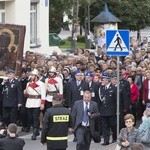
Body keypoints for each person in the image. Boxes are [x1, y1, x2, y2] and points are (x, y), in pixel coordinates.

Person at [24, 68, 46, 140]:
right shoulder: (28, 83)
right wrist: (25, 93)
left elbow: (43, 95)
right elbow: (26, 95)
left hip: (37, 101)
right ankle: (35, 131)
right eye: (31, 75)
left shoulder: (41, 84)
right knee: (29, 117)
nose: (31, 76)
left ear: (36, 76)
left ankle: (34, 132)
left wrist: (42, 104)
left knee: (35, 118)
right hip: (29, 101)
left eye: (33, 75)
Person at [98, 72, 117, 145]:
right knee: (105, 126)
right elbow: (100, 100)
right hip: (103, 110)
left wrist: (116, 110)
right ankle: (106, 140)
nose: (103, 81)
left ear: (108, 80)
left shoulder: (113, 88)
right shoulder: (101, 88)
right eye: (103, 79)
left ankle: (114, 138)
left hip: (111, 110)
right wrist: (99, 110)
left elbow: (116, 100)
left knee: (112, 125)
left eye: (104, 79)